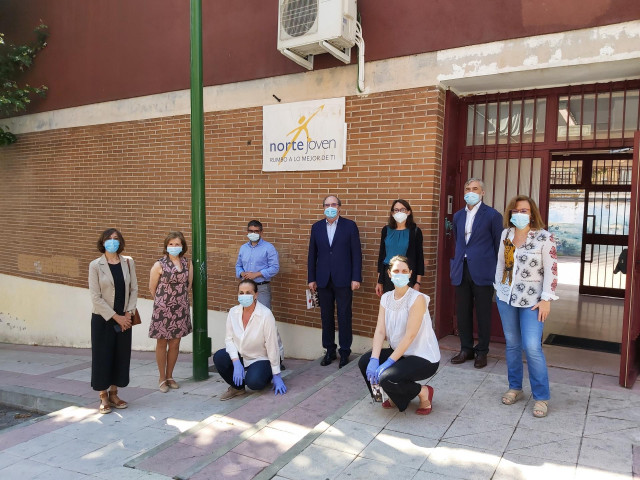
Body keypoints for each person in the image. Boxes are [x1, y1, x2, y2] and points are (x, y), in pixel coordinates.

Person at [495, 195, 558, 418]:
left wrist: (547, 299)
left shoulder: (544, 237)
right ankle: (515, 388)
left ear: (532, 214)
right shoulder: (506, 235)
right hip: (507, 298)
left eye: (525, 211)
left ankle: (541, 397)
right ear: (510, 213)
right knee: (512, 344)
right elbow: (501, 265)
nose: (520, 214)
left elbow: (552, 270)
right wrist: (499, 290)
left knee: (532, 347)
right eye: (516, 210)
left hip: (533, 302)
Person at [359, 256, 440, 414]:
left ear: (410, 273)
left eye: (404, 271)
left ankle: (423, 392)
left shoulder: (417, 299)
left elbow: (410, 336)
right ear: (389, 273)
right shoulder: (386, 298)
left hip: (423, 356)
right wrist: (375, 359)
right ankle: (393, 396)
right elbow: (380, 330)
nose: (400, 274)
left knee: (386, 377)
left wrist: (388, 362)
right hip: (401, 354)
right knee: (364, 362)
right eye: (396, 271)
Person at [450, 178, 503, 368]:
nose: (470, 192)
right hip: (461, 269)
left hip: (483, 271)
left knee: (483, 313)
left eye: (475, 189)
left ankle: (482, 351)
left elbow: (499, 246)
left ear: (482, 192)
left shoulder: (492, 215)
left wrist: (498, 272)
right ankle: (466, 349)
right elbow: (459, 240)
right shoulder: (457, 216)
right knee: (463, 312)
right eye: (467, 189)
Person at [308, 195, 362, 368]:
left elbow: (357, 254)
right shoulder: (316, 227)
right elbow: (312, 255)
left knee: (345, 315)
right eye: (327, 205)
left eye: (333, 204)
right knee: (326, 316)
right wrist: (311, 278)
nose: (330, 207)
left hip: (344, 279)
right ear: (323, 207)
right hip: (323, 279)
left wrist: (356, 278)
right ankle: (330, 350)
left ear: (339, 207)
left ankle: (345, 351)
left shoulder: (350, 226)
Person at [88, 228, 138, 414]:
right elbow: (96, 297)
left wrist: (128, 314)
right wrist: (116, 317)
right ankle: (103, 396)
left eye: (116, 238)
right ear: (102, 242)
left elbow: (134, 289)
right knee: (103, 356)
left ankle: (115, 394)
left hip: (125, 318)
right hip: (103, 319)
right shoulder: (95, 265)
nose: (112, 241)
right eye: (109, 238)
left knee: (120, 356)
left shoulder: (128, 262)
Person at [213, 279, 287, 400]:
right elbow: (229, 339)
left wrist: (276, 373)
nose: (244, 296)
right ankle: (237, 388)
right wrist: (236, 361)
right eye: (241, 293)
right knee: (219, 357)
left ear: (256, 294)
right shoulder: (233, 312)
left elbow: (272, 345)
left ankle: (266, 375)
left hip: (262, 357)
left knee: (254, 383)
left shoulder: (265, 314)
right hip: (242, 354)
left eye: (248, 292)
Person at [149, 231, 193, 393]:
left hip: (180, 308)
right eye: (171, 244)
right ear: (166, 246)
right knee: (162, 342)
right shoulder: (159, 265)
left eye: (177, 244)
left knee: (175, 343)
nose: (174, 247)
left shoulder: (187, 263)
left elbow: (188, 285)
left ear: (182, 246)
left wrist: (179, 300)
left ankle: (170, 376)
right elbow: (152, 288)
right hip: (163, 309)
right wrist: (164, 303)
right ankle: (162, 378)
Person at [376, 199, 424, 296]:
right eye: (396, 210)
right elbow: (382, 256)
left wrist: (417, 283)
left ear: (409, 212)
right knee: (389, 306)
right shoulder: (386, 230)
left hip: (407, 275)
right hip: (388, 275)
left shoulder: (415, 231)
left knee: (406, 308)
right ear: (392, 213)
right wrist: (379, 281)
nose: (399, 212)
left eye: (402, 210)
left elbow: (419, 258)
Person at [235, 220, 280, 309]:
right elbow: (238, 265)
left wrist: (256, 274)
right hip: (246, 288)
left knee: (264, 315)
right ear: (247, 232)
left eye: (256, 231)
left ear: (261, 232)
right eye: (251, 231)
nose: (253, 233)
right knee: (247, 313)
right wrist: (242, 273)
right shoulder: (243, 248)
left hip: (262, 288)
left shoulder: (269, 248)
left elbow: (275, 267)